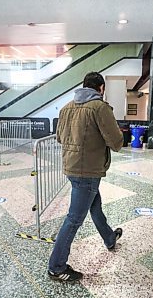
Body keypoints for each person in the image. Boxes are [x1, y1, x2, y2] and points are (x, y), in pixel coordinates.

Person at [48, 72, 124, 282]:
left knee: (95, 205)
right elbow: (116, 142)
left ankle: (109, 238)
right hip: (88, 170)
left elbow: (59, 138)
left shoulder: (66, 108)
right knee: (74, 219)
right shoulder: (100, 107)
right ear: (100, 88)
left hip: (72, 168)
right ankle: (56, 267)